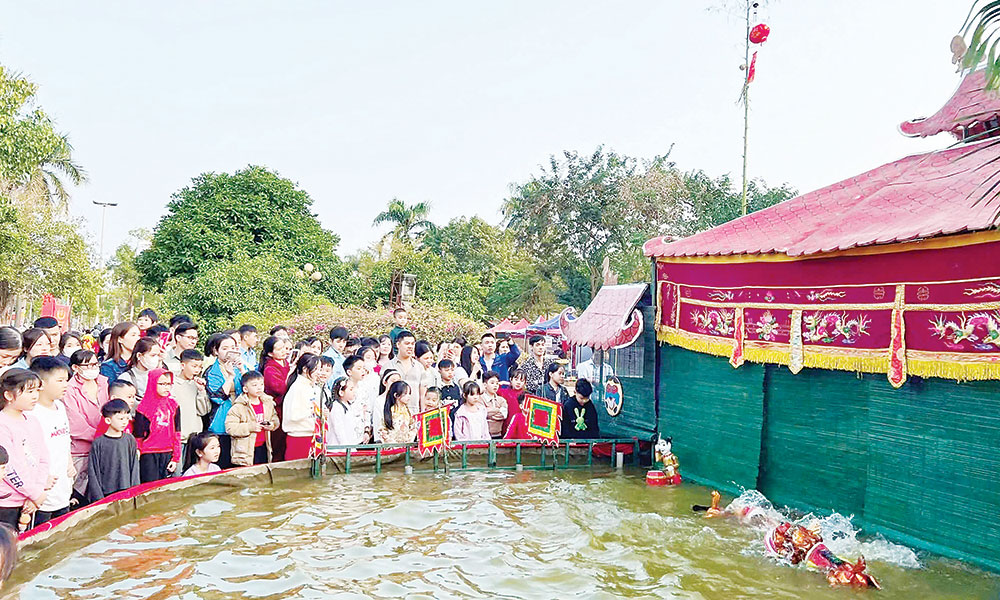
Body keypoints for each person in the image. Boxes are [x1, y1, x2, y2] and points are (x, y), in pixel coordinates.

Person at [0, 369, 50, 531]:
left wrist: (37, 491)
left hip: (30, 499)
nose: (35, 396)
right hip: (7, 501)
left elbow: (44, 457)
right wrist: (35, 494)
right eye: (29, 391)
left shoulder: (33, 420)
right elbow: (8, 467)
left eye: (36, 390)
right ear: (8, 395)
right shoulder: (3, 424)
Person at [27, 358, 74, 525]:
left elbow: (65, 438)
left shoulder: (60, 406)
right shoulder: (32, 413)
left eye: (66, 380)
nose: (65, 385)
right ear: (40, 383)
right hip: (42, 492)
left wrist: (69, 463)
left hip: (62, 485)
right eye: (60, 381)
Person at [63, 350, 109, 504]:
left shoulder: (103, 382)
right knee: (77, 496)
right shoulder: (69, 389)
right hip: (80, 451)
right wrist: (101, 436)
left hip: (103, 447)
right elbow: (76, 425)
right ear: (75, 368)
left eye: (95, 364)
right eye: (88, 365)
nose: (93, 368)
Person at [85, 399, 140, 502]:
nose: (124, 422)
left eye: (126, 418)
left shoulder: (130, 439)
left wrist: (134, 491)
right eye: (120, 419)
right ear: (108, 420)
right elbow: (93, 472)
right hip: (106, 493)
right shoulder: (98, 443)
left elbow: (135, 467)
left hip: (126, 491)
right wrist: (99, 499)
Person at [204, 333, 245, 469]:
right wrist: (229, 377)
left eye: (232, 347)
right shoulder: (212, 371)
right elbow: (217, 397)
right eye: (225, 348)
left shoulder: (238, 368)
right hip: (220, 422)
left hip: (240, 420)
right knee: (222, 463)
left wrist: (241, 370)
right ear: (216, 351)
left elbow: (250, 388)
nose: (230, 352)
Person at [133, 369, 181, 483]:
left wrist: (176, 457)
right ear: (152, 383)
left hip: (167, 452)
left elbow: (177, 432)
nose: (166, 387)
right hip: (148, 454)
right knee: (149, 487)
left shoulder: (173, 405)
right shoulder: (143, 408)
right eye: (162, 384)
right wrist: (138, 451)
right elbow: (138, 436)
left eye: (168, 384)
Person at [225, 371, 278, 467]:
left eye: (261, 384)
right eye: (254, 385)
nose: (259, 387)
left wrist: (272, 425)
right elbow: (230, 427)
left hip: (264, 446)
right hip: (245, 450)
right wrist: (250, 427)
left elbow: (274, 417)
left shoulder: (267, 402)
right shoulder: (239, 406)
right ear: (245, 389)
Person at [172, 349, 209, 476]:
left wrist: (201, 392)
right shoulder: (172, 384)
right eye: (194, 366)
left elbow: (204, 410)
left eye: (199, 367)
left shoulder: (197, 384)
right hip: (179, 438)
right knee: (177, 474)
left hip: (194, 437)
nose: (197, 370)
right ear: (183, 365)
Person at [282, 354, 322, 460]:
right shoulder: (297, 388)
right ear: (305, 369)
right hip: (299, 435)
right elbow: (293, 415)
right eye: (316, 369)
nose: (319, 372)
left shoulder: (312, 387)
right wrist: (313, 411)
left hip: (311, 434)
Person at [259, 336, 291, 462]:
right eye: (279, 349)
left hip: (287, 407)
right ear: (270, 353)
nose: (284, 351)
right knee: (277, 443)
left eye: (284, 347)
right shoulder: (270, 369)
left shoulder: (286, 363)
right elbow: (281, 388)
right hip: (277, 409)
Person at [389, 331, 424, 415]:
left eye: (412, 344)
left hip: (414, 412)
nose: (410, 347)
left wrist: (422, 412)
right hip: (394, 412)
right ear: (398, 345)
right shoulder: (389, 366)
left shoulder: (419, 367)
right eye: (407, 343)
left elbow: (423, 393)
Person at [99, 322, 141, 387]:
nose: (138, 338)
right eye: (133, 335)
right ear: (120, 339)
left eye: (139, 335)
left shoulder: (141, 361)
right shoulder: (109, 366)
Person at [343, 355, 373, 443]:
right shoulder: (343, 387)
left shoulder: (364, 388)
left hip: (361, 434)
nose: (363, 371)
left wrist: (367, 430)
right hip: (347, 432)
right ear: (349, 372)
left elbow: (367, 410)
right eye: (359, 368)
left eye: (363, 368)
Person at [327, 377, 362, 446]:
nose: (354, 391)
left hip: (349, 445)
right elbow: (339, 429)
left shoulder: (348, 405)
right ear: (341, 392)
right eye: (351, 389)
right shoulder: (336, 406)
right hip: (338, 447)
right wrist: (345, 446)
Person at [372, 369, 400, 442]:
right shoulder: (379, 400)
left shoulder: (400, 400)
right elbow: (377, 422)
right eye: (393, 381)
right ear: (385, 382)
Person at [480, 371, 508, 438]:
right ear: (485, 385)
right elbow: (482, 414)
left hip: (498, 434)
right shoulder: (479, 399)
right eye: (492, 383)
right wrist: (498, 409)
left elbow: (504, 415)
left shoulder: (502, 400)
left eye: (497, 383)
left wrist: (490, 413)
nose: (495, 385)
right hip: (483, 436)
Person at [415, 341, 438, 408]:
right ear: (417, 358)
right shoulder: (414, 372)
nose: (429, 361)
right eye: (426, 358)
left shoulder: (434, 373)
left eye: (431, 358)